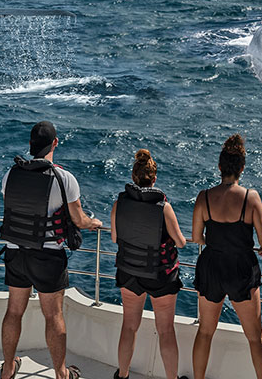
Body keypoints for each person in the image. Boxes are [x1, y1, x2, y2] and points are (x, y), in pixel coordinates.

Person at [0, 121, 101, 379]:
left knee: (13, 311)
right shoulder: (63, 178)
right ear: (55, 143)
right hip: (47, 256)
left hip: (15, 252)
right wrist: (93, 222)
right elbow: (78, 220)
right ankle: (61, 373)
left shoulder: (10, 174)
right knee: (53, 316)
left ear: (31, 145)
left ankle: (8, 368)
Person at [190, 134, 262, 379]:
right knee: (256, 338)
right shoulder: (251, 198)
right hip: (241, 268)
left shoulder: (204, 197)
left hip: (212, 265)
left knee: (205, 332)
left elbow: (196, 237)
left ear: (219, 167)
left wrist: (214, 243)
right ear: (242, 169)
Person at [110, 150, 188, 379]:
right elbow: (181, 243)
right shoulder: (163, 208)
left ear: (134, 177)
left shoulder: (120, 203)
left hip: (129, 271)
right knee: (165, 331)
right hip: (160, 275)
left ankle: (122, 375)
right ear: (154, 179)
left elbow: (115, 238)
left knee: (129, 326)